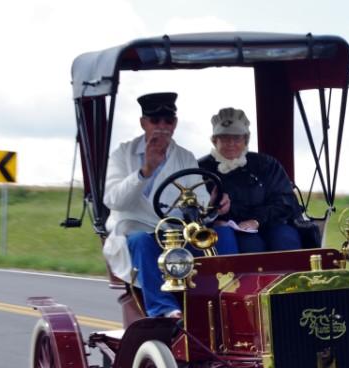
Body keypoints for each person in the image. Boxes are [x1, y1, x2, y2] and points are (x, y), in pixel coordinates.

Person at [103, 93, 236, 318]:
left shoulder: (184, 157)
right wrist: (145, 171)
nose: (162, 127)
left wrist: (213, 205)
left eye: (168, 121)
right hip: (134, 228)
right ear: (143, 123)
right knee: (141, 241)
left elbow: (199, 200)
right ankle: (163, 309)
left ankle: (226, 300)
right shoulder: (122, 154)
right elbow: (113, 199)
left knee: (224, 235)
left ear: (175, 124)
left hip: (176, 230)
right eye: (156, 121)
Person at [198, 107, 304, 253]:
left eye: (237, 138)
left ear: (246, 139)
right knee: (250, 247)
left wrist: (256, 220)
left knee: (286, 242)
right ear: (214, 140)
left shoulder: (266, 164)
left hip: (271, 223)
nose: (231, 143)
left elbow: (285, 201)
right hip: (228, 230)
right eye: (224, 137)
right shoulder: (200, 169)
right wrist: (214, 217)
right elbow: (194, 208)